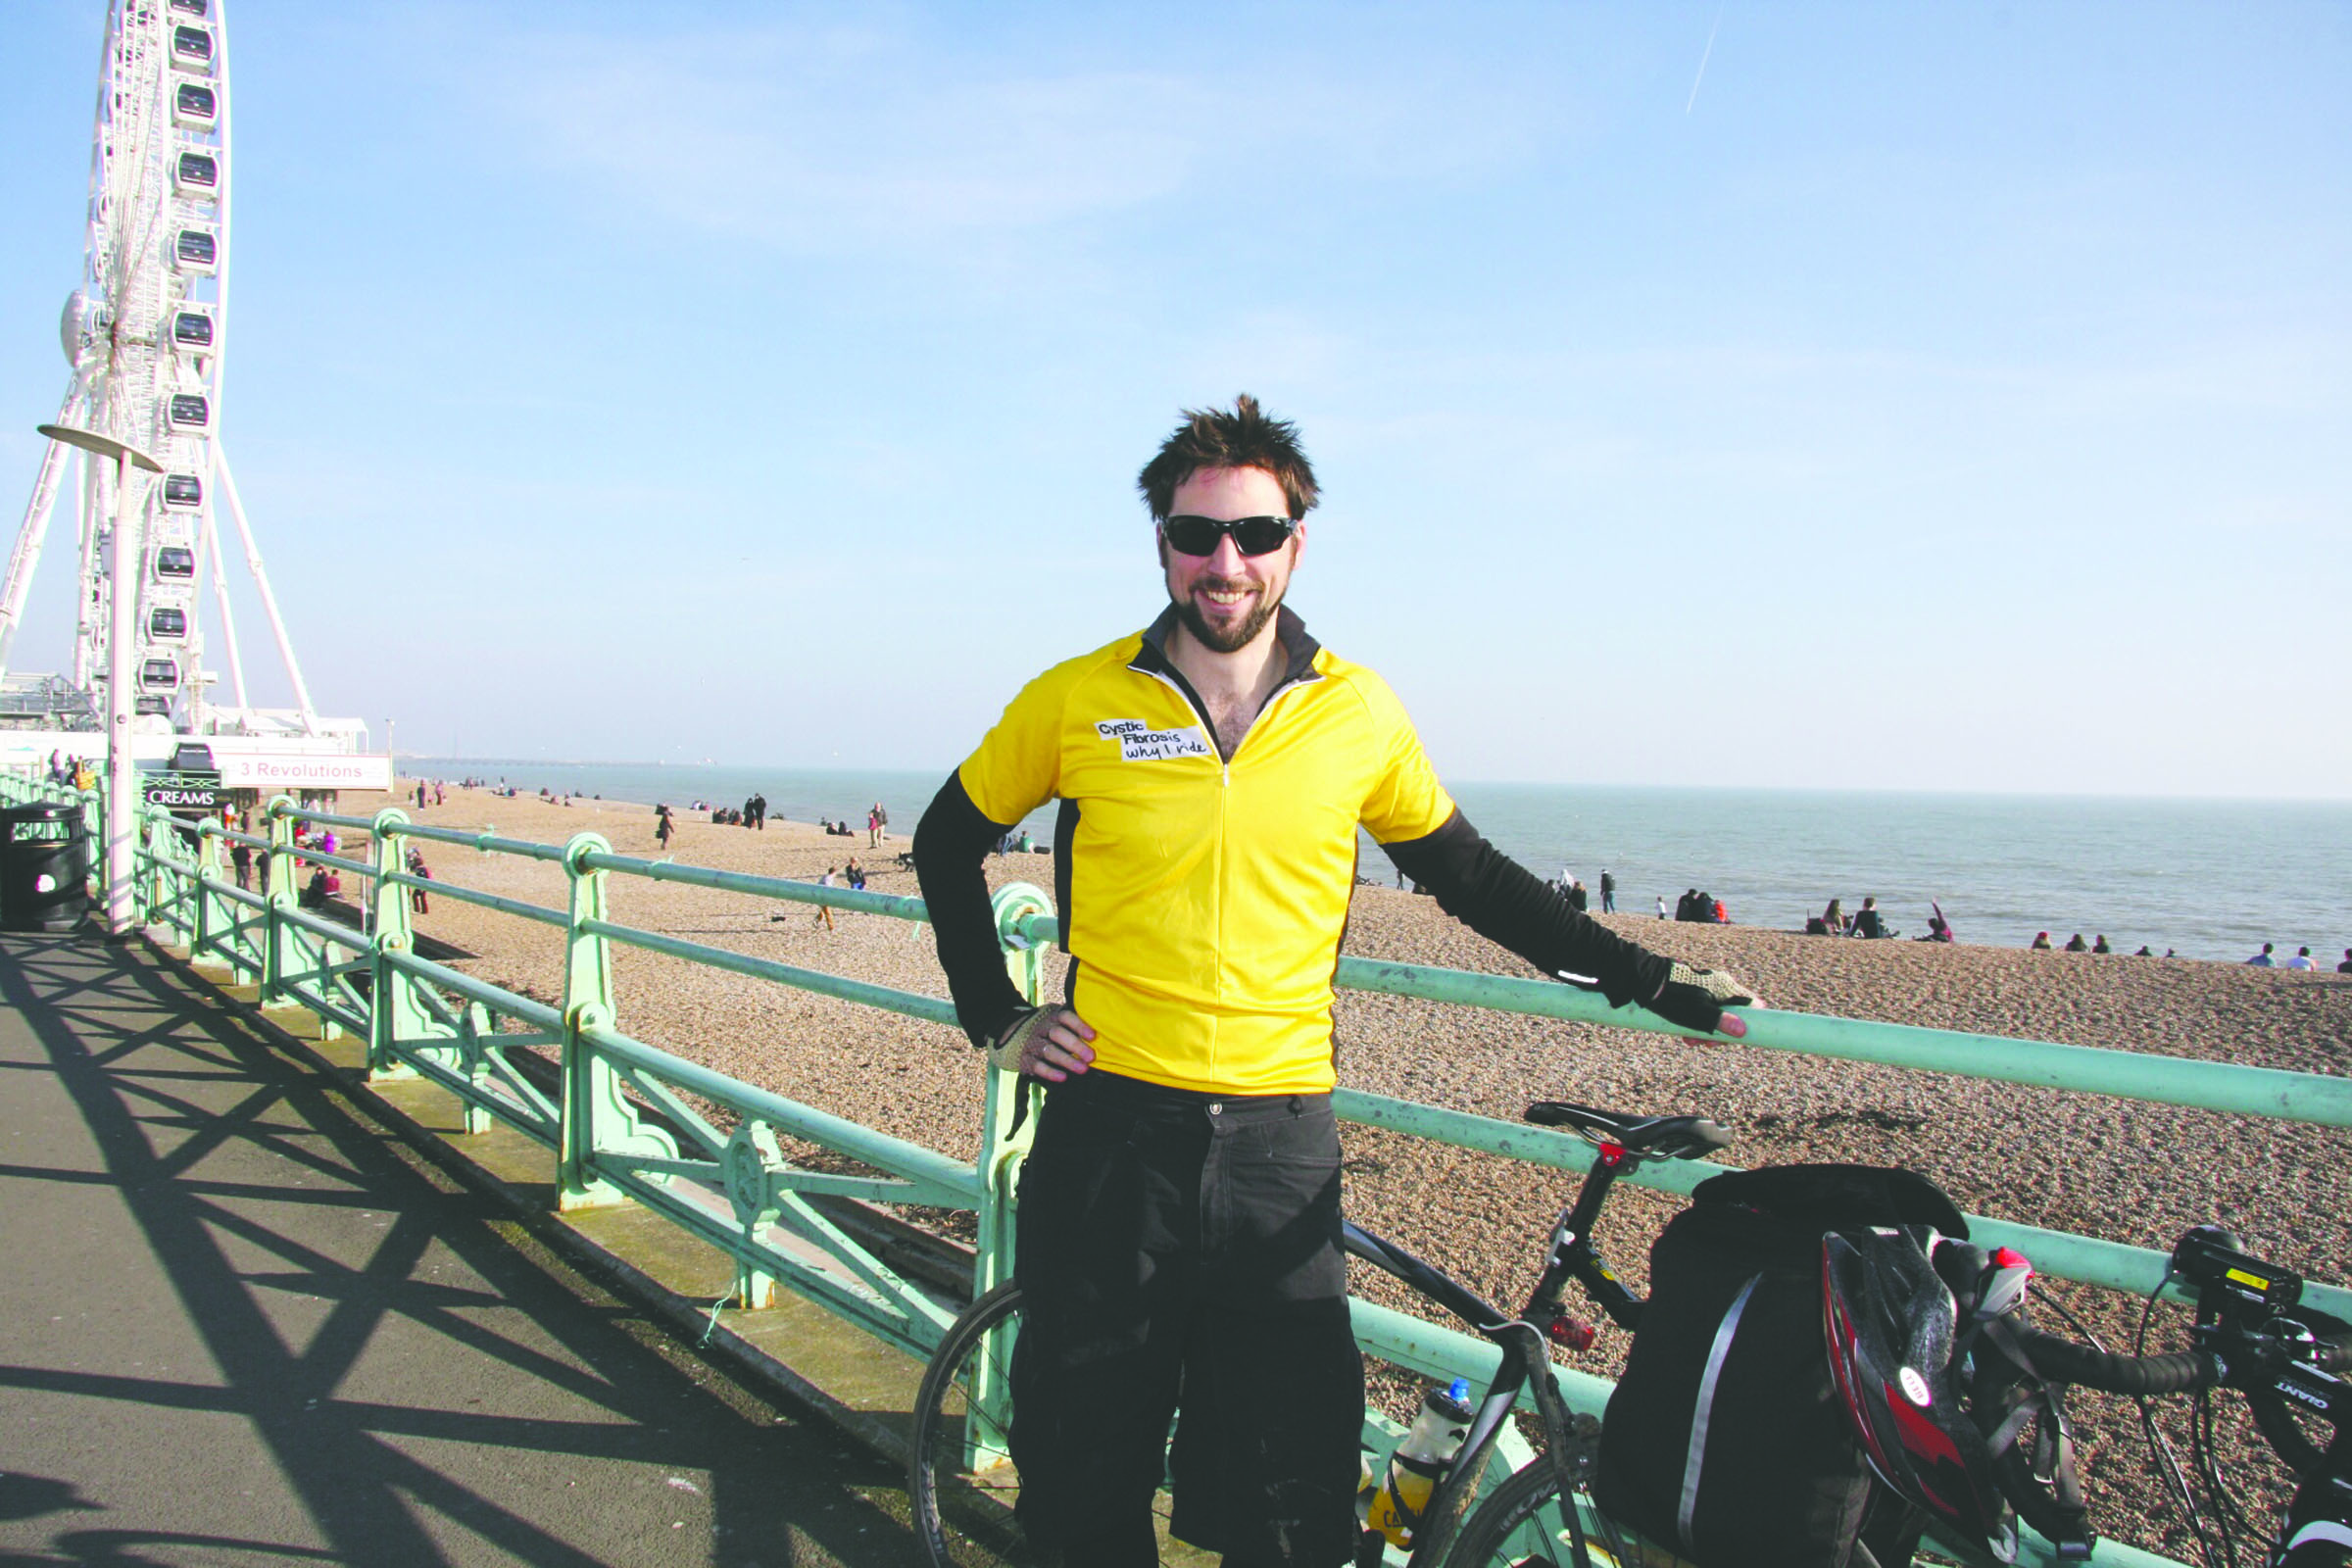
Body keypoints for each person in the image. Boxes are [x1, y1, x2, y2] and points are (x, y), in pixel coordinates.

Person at [910, 394, 1755, 1567]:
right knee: (1082, 1474)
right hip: (1110, 1140)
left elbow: (1471, 878)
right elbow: (944, 841)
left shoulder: (1357, 710)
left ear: (1296, 544)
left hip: (1277, 1144)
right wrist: (997, 1016)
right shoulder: (1078, 697)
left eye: (1254, 535)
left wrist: (1650, 976)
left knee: (1294, 1491)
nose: (1225, 563)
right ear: (1160, 542)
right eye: (1197, 535)